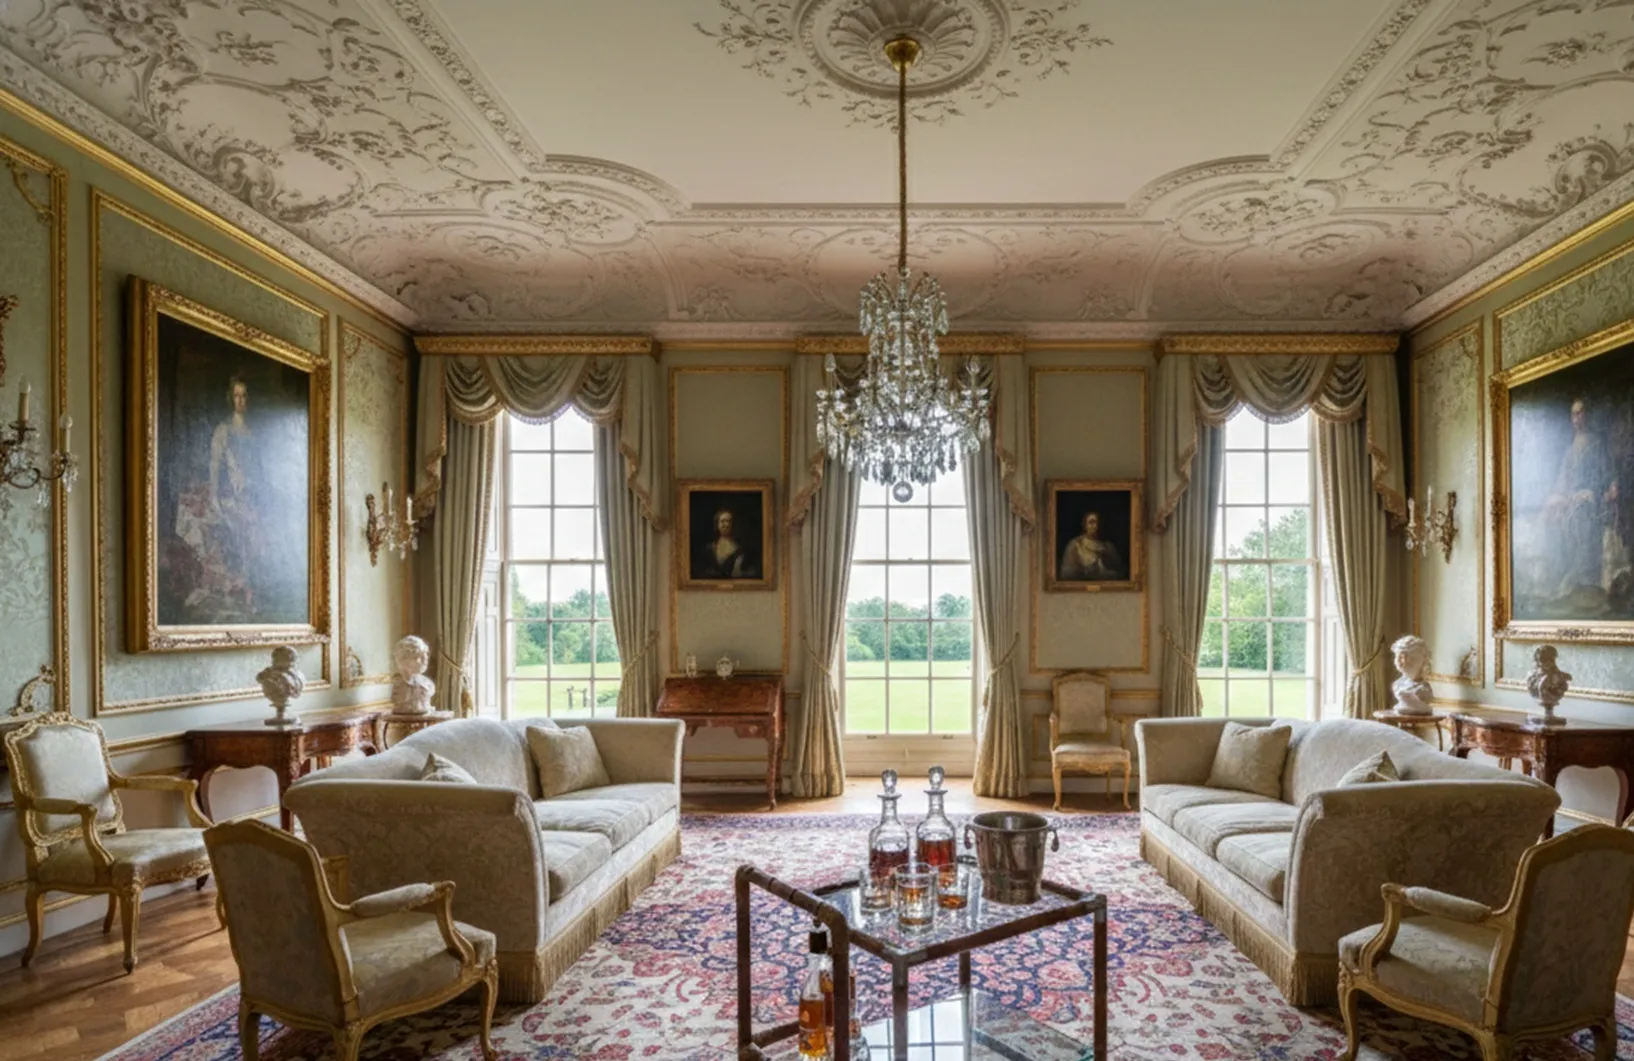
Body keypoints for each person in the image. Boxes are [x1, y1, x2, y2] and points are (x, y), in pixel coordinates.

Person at [695, 506, 759, 579]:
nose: (726, 525)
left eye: (729, 521)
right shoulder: (709, 548)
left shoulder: (740, 549)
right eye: (723, 521)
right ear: (717, 524)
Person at [1059, 510, 1125, 581]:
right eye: (1091, 522)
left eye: (1098, 523)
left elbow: (1121, 572)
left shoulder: (1108, 546)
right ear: (1085, 525)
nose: (1095, 526)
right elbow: (1065, 573)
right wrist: (1085, 571)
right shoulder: (1075, 544)